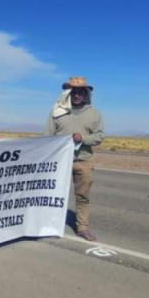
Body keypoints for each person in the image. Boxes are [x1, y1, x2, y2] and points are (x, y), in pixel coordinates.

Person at [45, 77, 104, 242]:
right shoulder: (57, 112)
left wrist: (83, 138)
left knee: (82, 196)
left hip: (83, 160)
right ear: (68, 93)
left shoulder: (93, 113)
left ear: (85, 94)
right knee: (54, 195)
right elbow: (47, 137)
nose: (77, 95)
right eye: (73, 91)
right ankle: (50, 225)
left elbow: (99, 136)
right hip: (60, 161)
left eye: (80, 92)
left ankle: (83, 228)